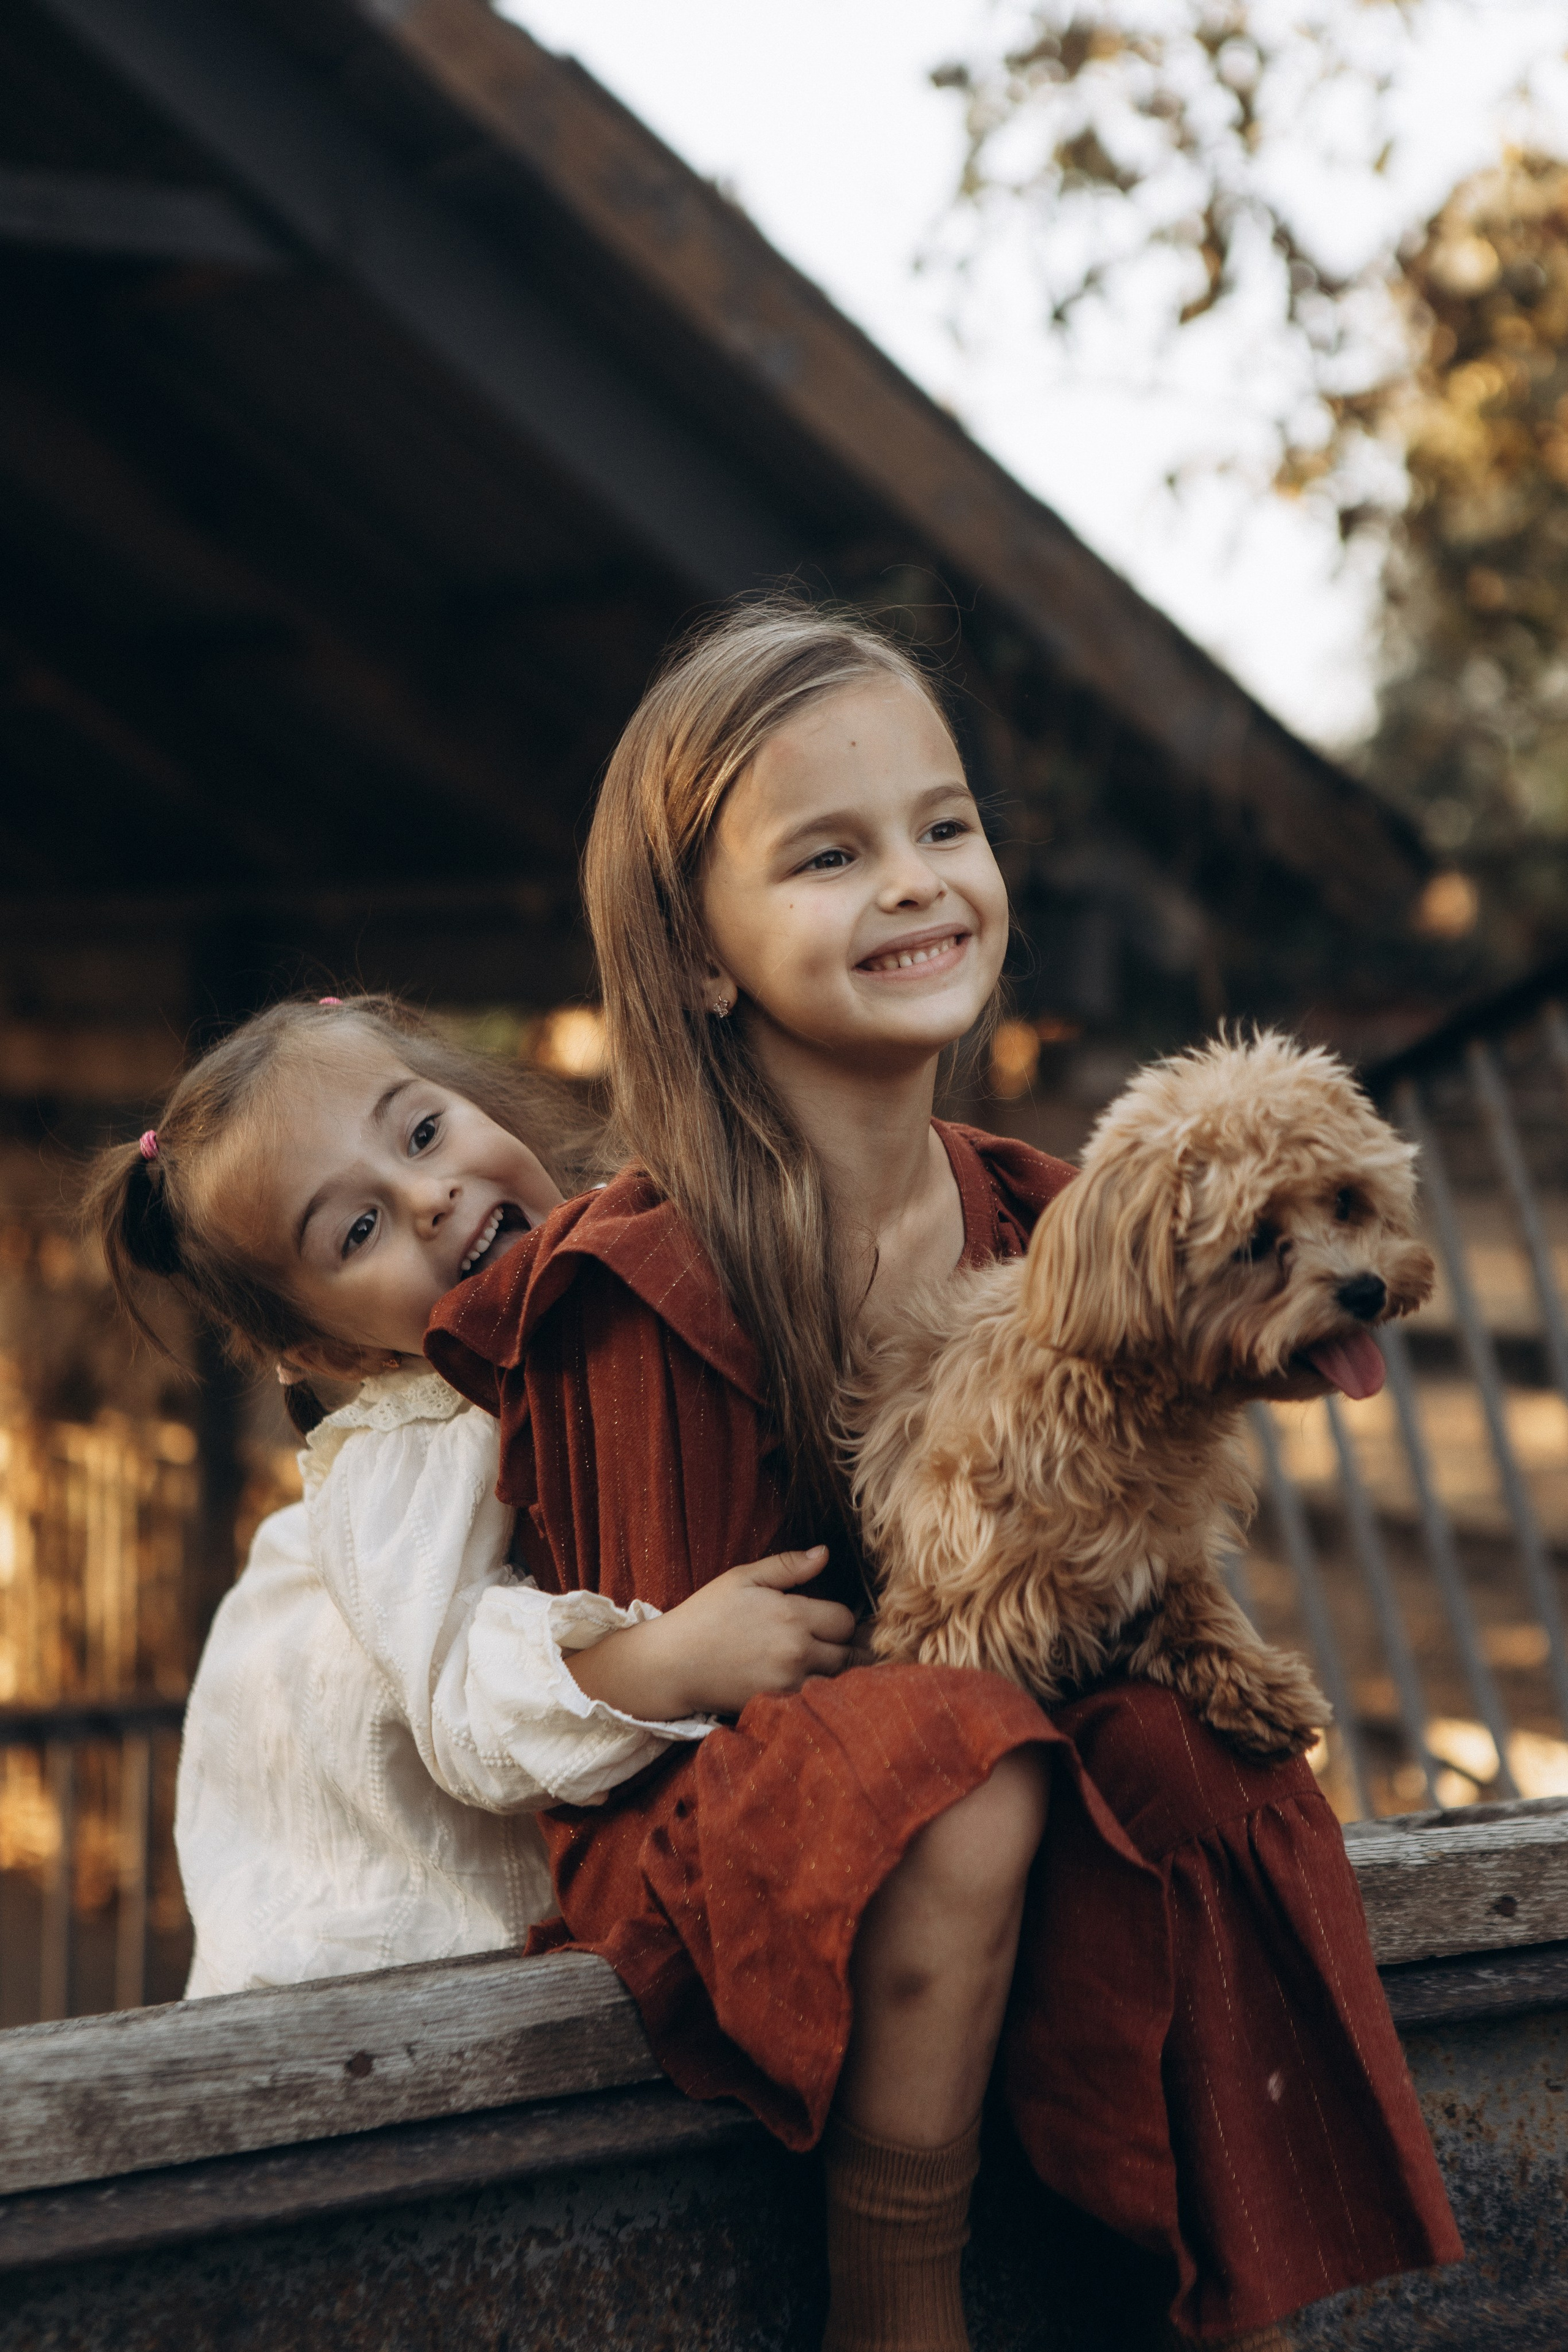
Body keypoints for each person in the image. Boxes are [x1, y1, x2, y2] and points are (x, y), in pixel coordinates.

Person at [427, 601, 1461, 2351]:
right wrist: (678, 1655)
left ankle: (1228, 2282)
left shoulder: (1040, 1215)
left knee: (1202, 1755)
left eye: (945, 825)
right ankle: (894, 2298)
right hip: (720, 1820)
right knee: (962, 1751)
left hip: (986, 1750)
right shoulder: (642, 1280)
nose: (915, 880)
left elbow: (1118, 1534)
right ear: (698, 960)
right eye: (831, 854)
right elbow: (622, 1709)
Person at [84, 993, 748, 1991]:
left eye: (424, 1131)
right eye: (358, 1229)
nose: (429, 1195)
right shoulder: (417, 1447)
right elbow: (465, 1705)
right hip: (406, 1989)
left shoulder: (636, 1244)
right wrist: (670, 1660)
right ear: (332, 1349)